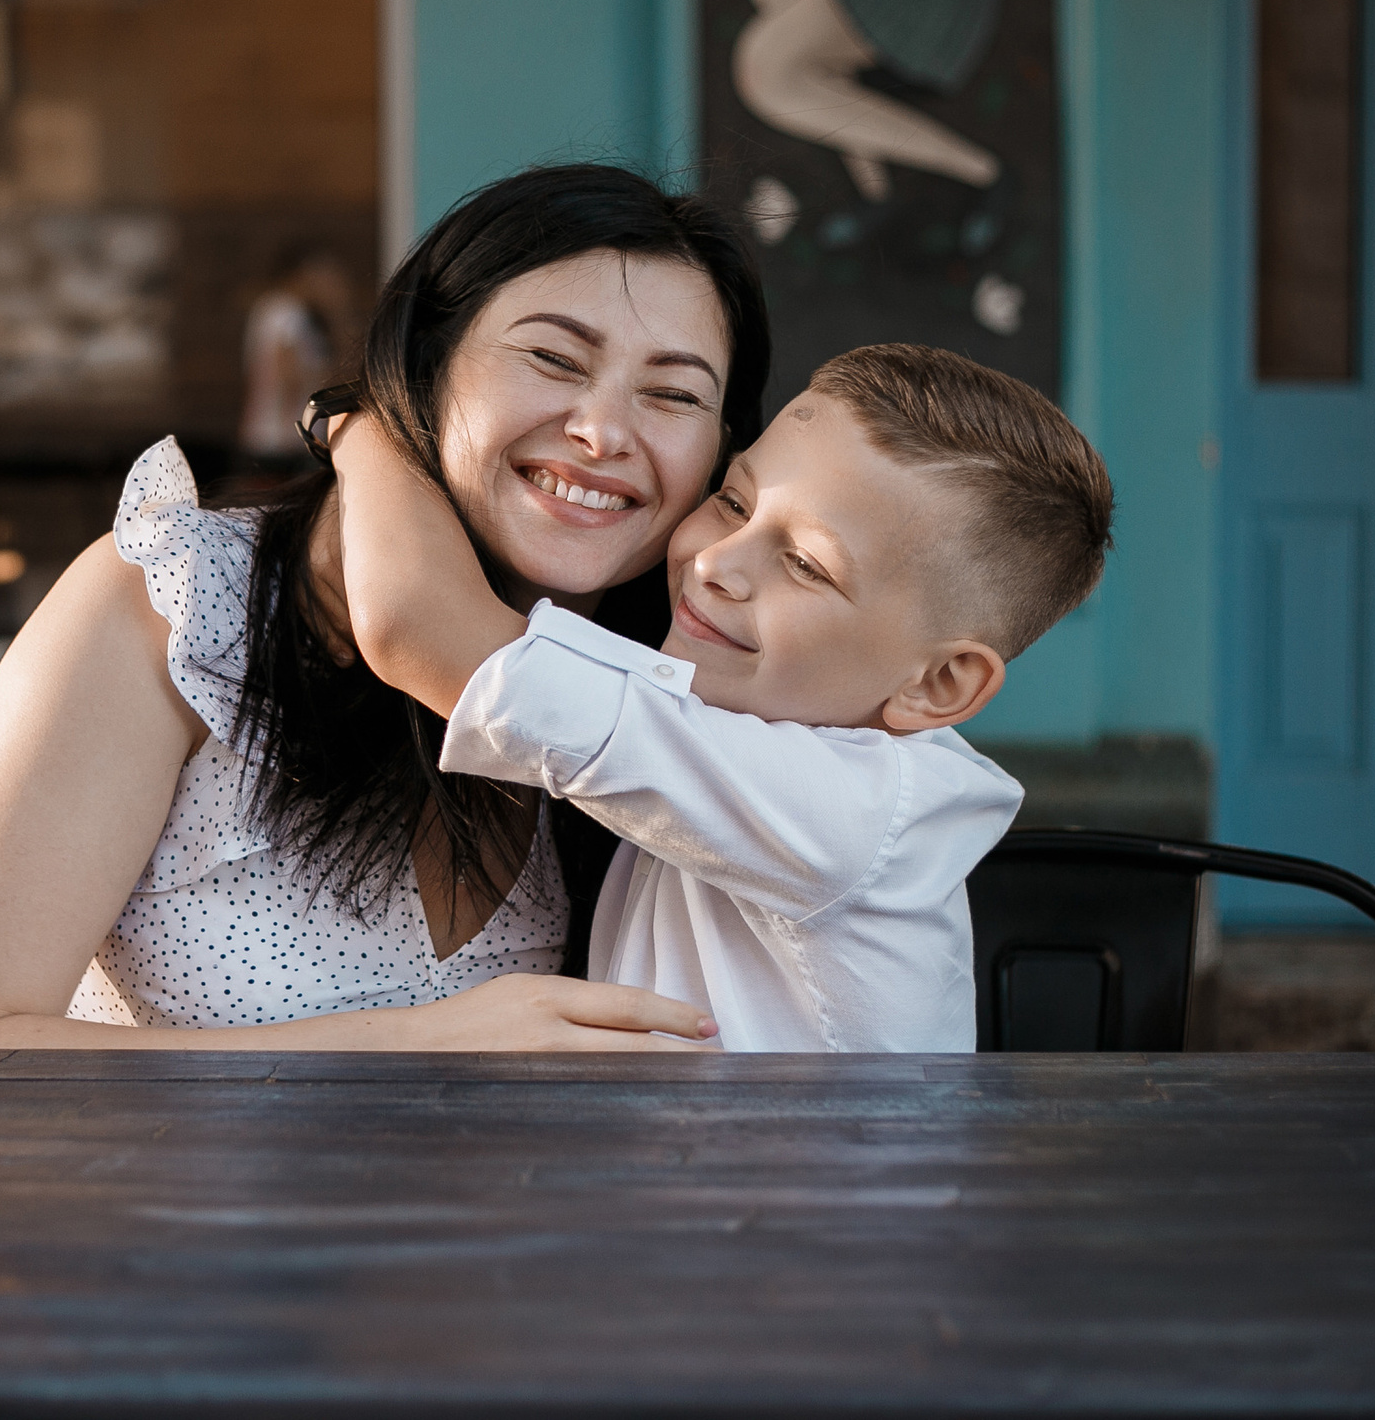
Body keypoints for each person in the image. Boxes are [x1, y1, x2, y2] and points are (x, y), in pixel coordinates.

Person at [0, 165, 772, 1050]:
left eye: (672, 394)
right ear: (427, 361)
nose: (604, 432)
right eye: (552, 356)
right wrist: (415, 1045)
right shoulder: (186, 605)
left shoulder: (651, 691)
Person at [328, 342, 1114, 1051]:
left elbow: (417, 626)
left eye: (806, 563)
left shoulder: (855, 810)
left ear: (938, 684)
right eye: (734, 501)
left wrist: (355, 425)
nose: (717, 564)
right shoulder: (757, 719)